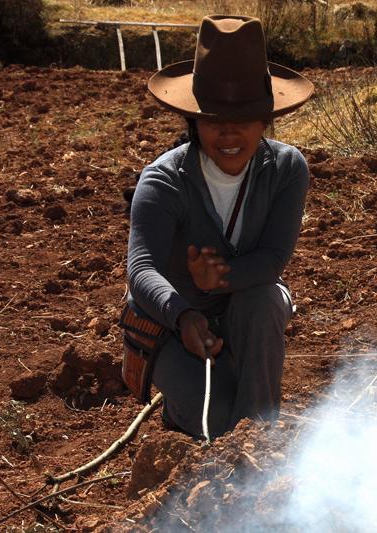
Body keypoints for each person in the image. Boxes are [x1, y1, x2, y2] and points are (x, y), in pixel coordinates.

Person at [126, 15, 314, 439]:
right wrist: (185, 314)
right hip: (172, 325)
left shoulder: (285, 169)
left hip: (245, 315)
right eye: (213, 120)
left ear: (266, 120)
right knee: (221, 422)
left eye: (244, 119)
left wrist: (218, 279)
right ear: (193, 122)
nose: (228, 134)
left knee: (265, 303)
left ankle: (258, 445)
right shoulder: (163, 180)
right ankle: (189, 413)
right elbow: (141, 272)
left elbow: (272, 260)